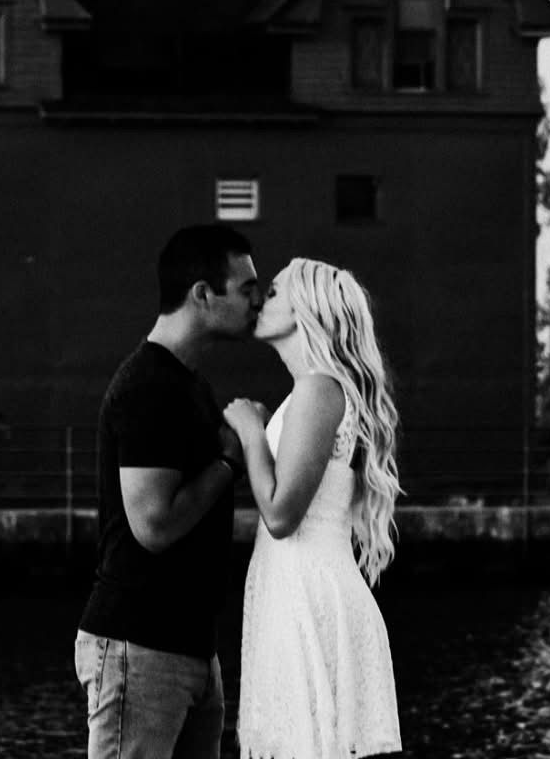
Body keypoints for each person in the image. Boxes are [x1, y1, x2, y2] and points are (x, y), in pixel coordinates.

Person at [75, 223, 263, 759]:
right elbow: (153, 525)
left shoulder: (187, 384)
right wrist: (230, 460)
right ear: (203, 295)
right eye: (247, 289)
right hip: (141, 648)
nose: (259, 300)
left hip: (189, 650)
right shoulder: (149, 387)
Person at [224, 258, 402, 759]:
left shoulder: (318, 390)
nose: (262, 300)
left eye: (275, 292)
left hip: (309, 595)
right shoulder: (311, 393)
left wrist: (251, 431)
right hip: (293, 589)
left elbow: (281, 516)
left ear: (306, 309)